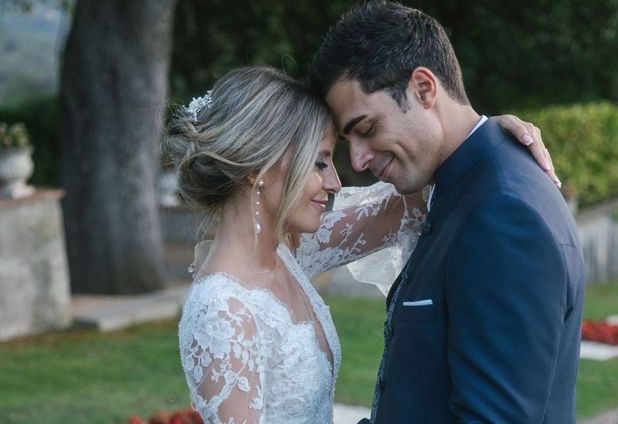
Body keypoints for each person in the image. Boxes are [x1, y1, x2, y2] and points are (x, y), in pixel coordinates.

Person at [165, 66, 560, 424]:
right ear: (258, 169)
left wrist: (486, 138)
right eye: (320, 162)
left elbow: (412, 202)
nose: (336, 183)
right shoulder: (222, 309)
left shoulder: (289, 251)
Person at [309, 0, 585, 423]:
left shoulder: (502, 215)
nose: (359, 160)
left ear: (424, 88)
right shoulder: (452, 187)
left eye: (366, 129)